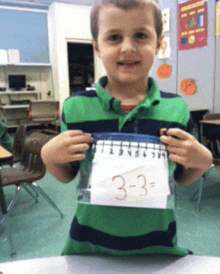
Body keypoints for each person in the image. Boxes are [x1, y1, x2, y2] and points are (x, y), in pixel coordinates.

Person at [41, 0, 213, 256]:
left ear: (158, 43)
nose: (128, 47)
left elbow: (181, 178)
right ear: (97, 46)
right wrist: (49, 158)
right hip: (89, 245)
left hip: (157, 245)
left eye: (141, 35)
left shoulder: (176, 109)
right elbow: (68, 175)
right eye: (113, 37)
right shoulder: (75, 108)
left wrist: (202, 162)